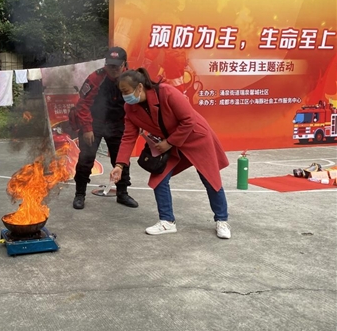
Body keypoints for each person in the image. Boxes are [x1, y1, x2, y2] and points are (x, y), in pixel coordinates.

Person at [110, 68, 231, 239]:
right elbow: (129, 136)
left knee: (209, 178)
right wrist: (119, 165)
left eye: (126, 91)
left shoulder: (167, 92)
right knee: (159, 178)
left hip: (195, 137)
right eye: (121, 92)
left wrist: (169, 143)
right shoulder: (130, 108)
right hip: (170, 143)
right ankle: (167, 221)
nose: (124, 96)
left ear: (139, 87)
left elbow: (189, 120)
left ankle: (222, 220)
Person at [71, 47, 139, 210]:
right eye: (110, 65)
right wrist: (87, 128)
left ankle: (122, 193)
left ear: (125, 64)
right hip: (94, 123)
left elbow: (138, 103)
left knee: (121, 160)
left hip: (119, 124)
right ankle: (79, 194)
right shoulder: (96, 77)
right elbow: (83, 105)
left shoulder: (132, 78)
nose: (113, 69)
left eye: (117, 65)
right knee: (86, 159)